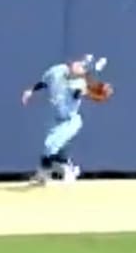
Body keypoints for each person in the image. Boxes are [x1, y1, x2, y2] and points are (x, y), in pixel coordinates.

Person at [20, 54, 106, 183]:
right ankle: (68, 169)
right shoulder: (57, 70)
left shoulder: (79, 83)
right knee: (57, 151)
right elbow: (44, 82)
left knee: (50, 145)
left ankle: (45, 173)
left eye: (83, 67)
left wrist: (83, 92)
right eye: (80, 62)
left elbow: (77, 92)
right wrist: (31, 91)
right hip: (56, 120)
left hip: (70, 121)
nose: (79, 65)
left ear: (84, 72)